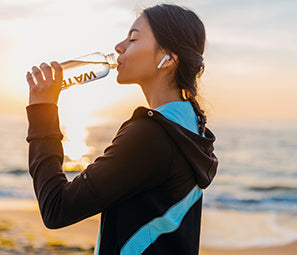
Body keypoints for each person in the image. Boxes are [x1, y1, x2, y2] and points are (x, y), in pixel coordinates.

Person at [25, 4, 218, 255]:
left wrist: (42, 110)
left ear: (168, 58)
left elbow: (57, 208)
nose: (119, 47)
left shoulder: (151, 135)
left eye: (134, 38)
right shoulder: (191, 128)